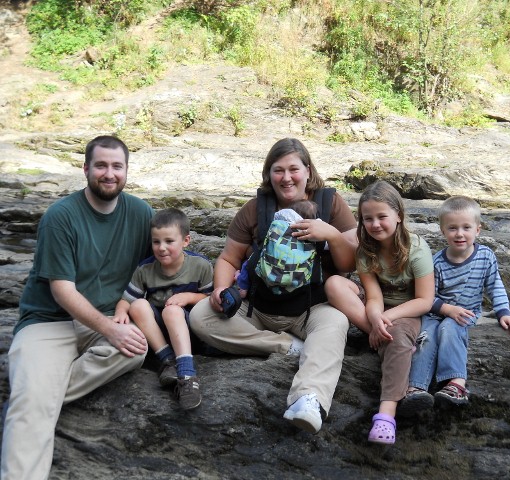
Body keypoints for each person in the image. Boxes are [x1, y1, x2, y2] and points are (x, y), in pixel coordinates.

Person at [1, 135, 153, 479]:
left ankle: (33, 399)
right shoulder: (61, 216)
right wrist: (111, 329)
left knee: (135, 348)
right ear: (86, 169)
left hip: (106, 318)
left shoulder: (141, 214)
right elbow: (62, 291)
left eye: (117, 166)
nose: (109, 173)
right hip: (49, 321)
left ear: (127, 170)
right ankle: (30, 407)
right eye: (101, 165)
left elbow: (162, 264)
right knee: (33, 399)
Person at [188, 138, 357, 434]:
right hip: (257, 307)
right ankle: (288, 347)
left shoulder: (332, 204)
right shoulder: (255, 209)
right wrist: (220, 289)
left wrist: (330, 234)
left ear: (308, 171)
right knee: (200, 316)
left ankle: (309, 399)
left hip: (311, 310)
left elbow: (349, 264)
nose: (286, 177)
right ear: (269, 174)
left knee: (336, 323)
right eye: (278, 170)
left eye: (294, 169)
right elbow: (228, 258)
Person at [324, 180, 435, 445]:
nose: (375, 224)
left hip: (408, 311)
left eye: (382, 216)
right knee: (334, 284)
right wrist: (375, 318)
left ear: (398, 215)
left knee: (397, 334)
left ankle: (386, 414)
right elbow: (373, 297)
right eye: (368, 219)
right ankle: (384, 337)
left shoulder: (417, 249)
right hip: (379, 310)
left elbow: (425, 300)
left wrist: (387, 319)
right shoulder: (366, 251)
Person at [399, 195, 510, 415]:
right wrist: (446, 309)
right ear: (443, 231)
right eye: (452, 228)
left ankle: (456, 384)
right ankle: (416, 387)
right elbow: (427, 297)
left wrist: (504, 313)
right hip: (435, 313)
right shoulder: (436, 262)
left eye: (466, 227)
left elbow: (495, 286)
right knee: (426, 337)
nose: (459, 234)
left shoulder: (485, 256)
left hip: (466, 313)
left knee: (449, 328)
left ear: (478, 229)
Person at [113, 208, 214, 410]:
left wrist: (189, 297)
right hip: (159, 337)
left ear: (186, 241)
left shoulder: (200, 266)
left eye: (169, 241)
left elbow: (211, 300)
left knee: (172, 310)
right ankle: (167, 361)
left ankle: (187, 374)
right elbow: (126, 300)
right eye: (156, 242)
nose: (161, 248)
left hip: (189, 332)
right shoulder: (145, 269)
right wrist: (120, 312)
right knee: (138, 304)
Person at [233, 199, 319, 299]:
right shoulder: (312, 231)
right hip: (295, 276)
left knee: (248, 263)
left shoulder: (281, 219)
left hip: (270, 266)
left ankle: (242, 286)